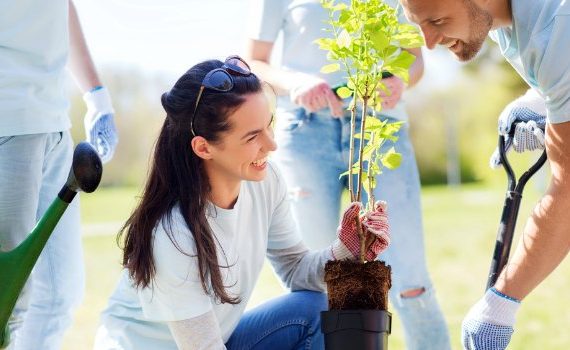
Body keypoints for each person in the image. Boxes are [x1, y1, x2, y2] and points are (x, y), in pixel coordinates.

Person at [93, 57, 390, 350]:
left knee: (315, 309)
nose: (272, 145)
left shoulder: (265, 181)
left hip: (215, 342)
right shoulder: (173, 235)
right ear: (204, 147)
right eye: (252, 137)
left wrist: (347, 250)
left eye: (268, 125)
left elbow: (296, 269)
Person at [245, 1, 451, 349]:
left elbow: (414, 60)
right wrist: (295, 82)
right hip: (306, 131)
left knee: (411, 282)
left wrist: (399, 80)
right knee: (315, 284)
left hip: (379, 128)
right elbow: (253, 62)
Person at [398, 0, 570, 348]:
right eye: (420, 25)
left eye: (437, 20)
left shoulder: (556, 30)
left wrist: (501, 304)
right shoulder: (505, 26)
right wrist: (540, 98)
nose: (428, 42)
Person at [0, 1, 118, 349]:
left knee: (57, 295)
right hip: (8, 118)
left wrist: (97, 95)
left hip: (52, 121)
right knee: (7, 303)